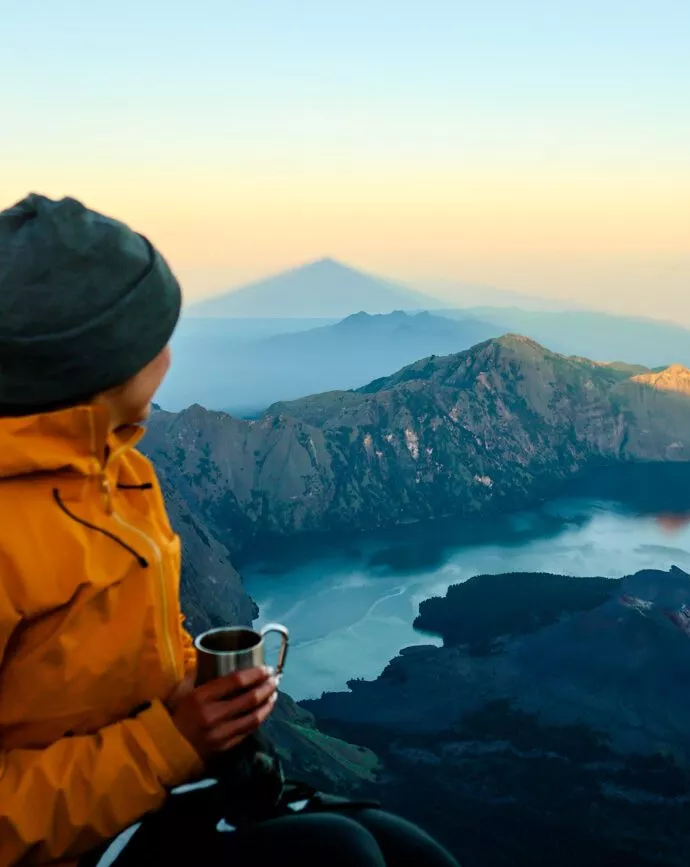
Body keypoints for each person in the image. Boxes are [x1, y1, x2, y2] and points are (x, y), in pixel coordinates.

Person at [0, 194, 460, 867]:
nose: (169, 354)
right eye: (156, 335)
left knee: (409, 854)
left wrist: (209, 692)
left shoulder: (118, 470)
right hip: (83, 838)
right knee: (342, 854)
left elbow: (128, 653)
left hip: (152, 796)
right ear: (98, 362)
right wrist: (166, 745)